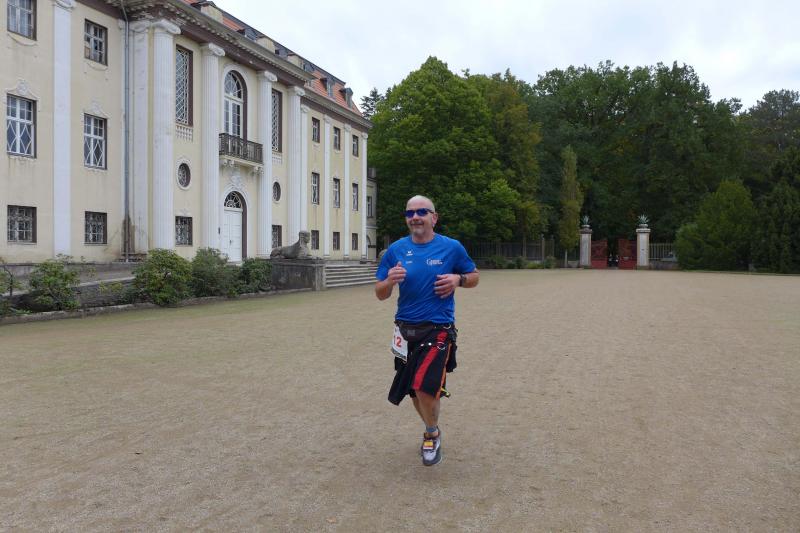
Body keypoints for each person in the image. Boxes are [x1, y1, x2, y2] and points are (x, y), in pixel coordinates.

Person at [375, 195, 479, 466]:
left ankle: (431, 434)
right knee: (414, 391)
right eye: (409, 213)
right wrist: (389, 281)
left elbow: (474, 277)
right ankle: (433, 428)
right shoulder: (395, 250)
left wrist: (458, 279)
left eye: (421, 212)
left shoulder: (451, 248)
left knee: (424, 387)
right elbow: (380, 293)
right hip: (404, 331)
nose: (415, 217)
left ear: (434, 217)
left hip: (438, 329)